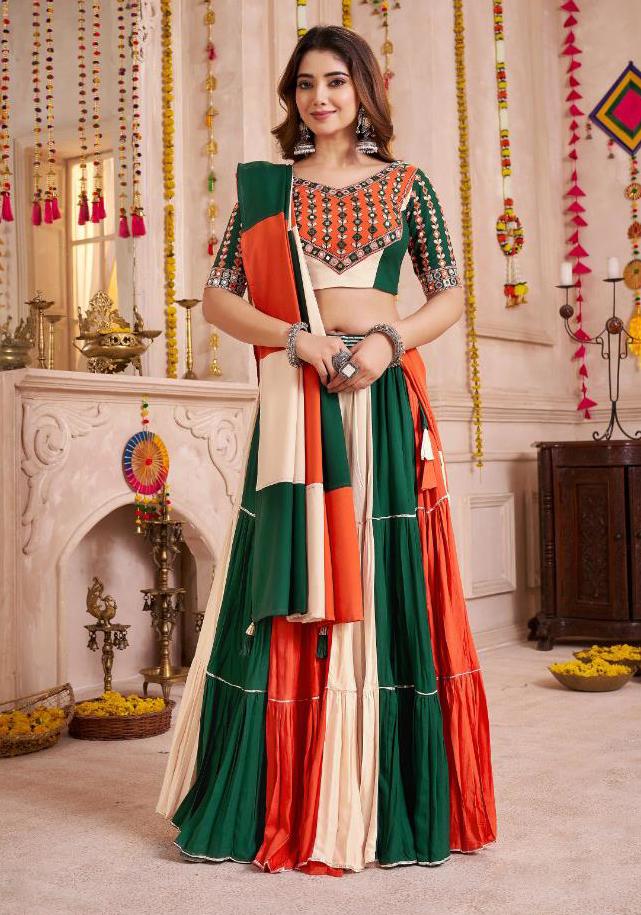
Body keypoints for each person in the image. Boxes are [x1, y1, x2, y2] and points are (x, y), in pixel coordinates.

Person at [157, 24, 497, 876]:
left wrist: (386, 340)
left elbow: (449, 293)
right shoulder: (266, 191)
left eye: (335, 81)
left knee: (379, 579)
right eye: (305, 83)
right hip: (296, 399)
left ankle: (380, 801)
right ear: (292, 96)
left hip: (378, 397)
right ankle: (280, 795)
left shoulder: (407, 184)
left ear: (363, 89)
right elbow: (218, 298)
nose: (319, 97)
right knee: (291, 577)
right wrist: (294, 339)